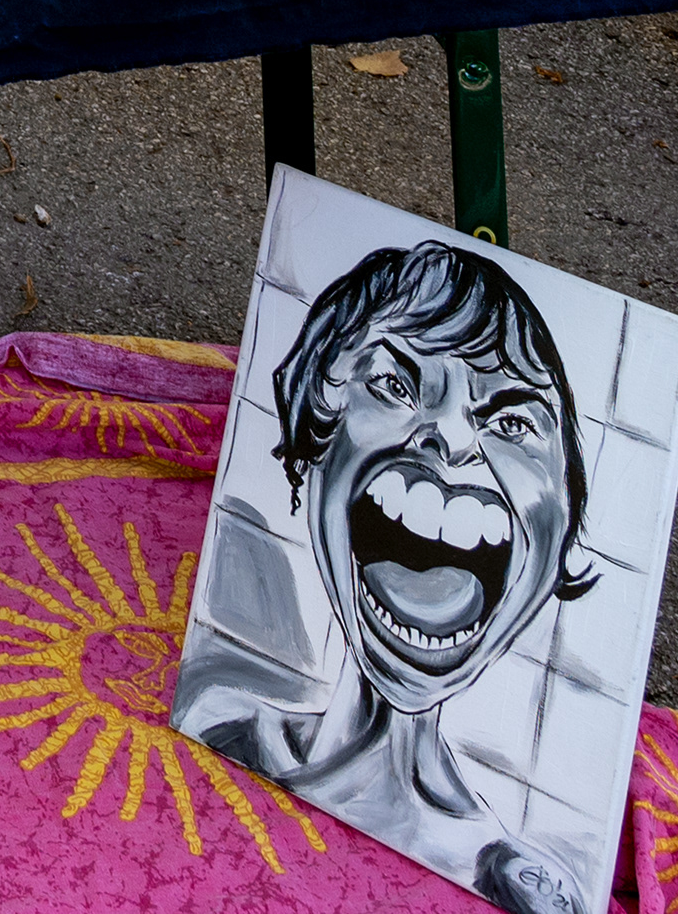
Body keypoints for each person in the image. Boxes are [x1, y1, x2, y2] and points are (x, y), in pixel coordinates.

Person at [173, 241, 601, 914]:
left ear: (558, 536)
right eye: (395, 385)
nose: (451, 440)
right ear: (315, 440)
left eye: (514, 421)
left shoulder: (515, 885)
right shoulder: (217, 719)